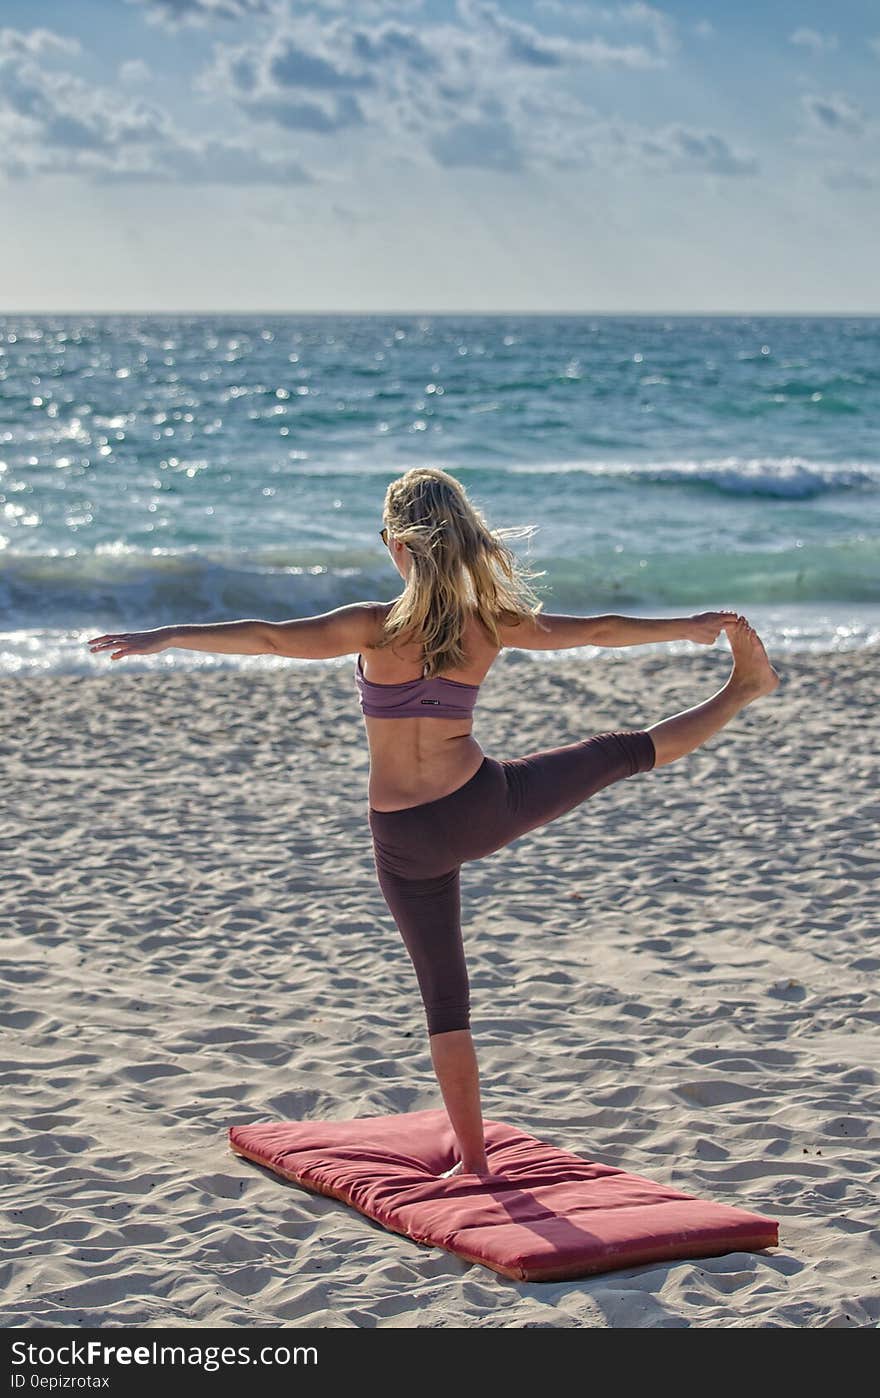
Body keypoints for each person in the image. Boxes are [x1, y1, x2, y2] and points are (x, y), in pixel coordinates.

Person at [87, 466, 779, 1181]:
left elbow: (266, 638)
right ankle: (742, 690)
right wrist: (687, 626)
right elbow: (597, 631)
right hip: (482, 807)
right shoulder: (489, 626)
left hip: (404, 840)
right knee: (619, 753)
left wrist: (168, 635)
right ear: (464, 540)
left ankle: (473, 1162)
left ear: (394, 543)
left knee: (445, 999)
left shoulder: (370, 626)